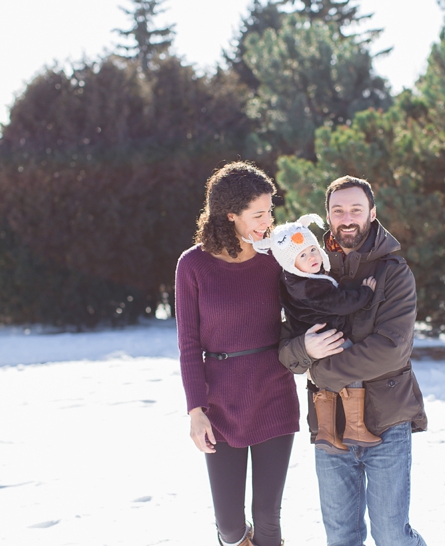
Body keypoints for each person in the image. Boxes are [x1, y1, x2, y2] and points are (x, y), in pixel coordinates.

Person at [278, 176, 428, 546]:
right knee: (341, 537)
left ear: (372, 213)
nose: (347, 218)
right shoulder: (305, 270)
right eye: (338, 210)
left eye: (356, 209)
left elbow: (391, 349)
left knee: (392, 535)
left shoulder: (393, 272)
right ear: (327, 216)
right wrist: (305, 351)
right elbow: (284, 349)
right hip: (329, 425)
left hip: (388, 419)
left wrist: (320, 368)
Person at [175, 162, 299, 546]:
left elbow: (309, 302)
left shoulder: (275, 257)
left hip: (273, 392)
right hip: (220, 402)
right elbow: (188, 345)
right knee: (230, 527)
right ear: (230, 215)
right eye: (258, 214)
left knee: (268, 520)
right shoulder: (192, 265)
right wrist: (196, 411)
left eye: (270, 211)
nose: (268, 221)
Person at [251, 213, 382, 453]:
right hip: (330, 339)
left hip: (316, 342)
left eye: (312, 249)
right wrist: (365, 294)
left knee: (325, 386)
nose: (311, 257)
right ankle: (354, 427)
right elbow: (340, 303)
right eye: (302, 255)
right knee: (352, 366)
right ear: (290, 263)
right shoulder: (311, 286)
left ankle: (326, 432)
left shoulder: (295, 280)